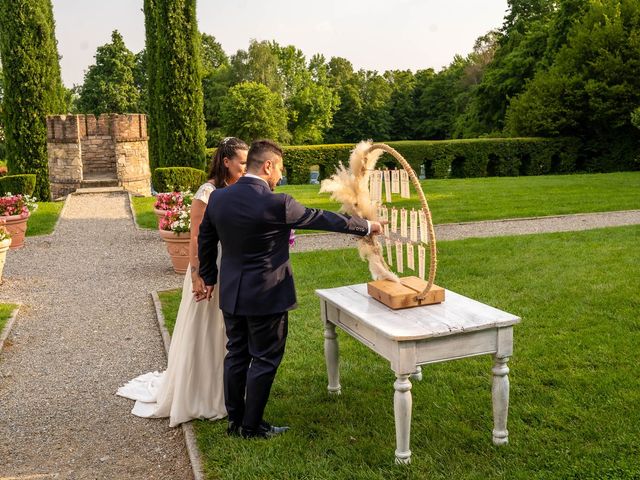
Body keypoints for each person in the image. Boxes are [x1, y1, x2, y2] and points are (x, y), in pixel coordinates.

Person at [197, 139, 382, 439]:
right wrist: (367, 226)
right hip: (267, 296)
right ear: (267, 166)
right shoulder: (278, 202)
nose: (280, 176)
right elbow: (322, 219)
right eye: (279, 169)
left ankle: (235, 421)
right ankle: (251, 426)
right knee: (265, 358)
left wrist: (208, 275)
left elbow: (206, 241)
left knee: (236, 354)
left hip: (231, 292)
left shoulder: (219, 199)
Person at [117, 137, 249, 427]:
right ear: (226, 162)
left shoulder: (237, 189)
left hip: (230, 268)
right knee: (205, 329)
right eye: (242, 161)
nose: (245, 166)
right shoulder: (208, 191)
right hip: (208, 268)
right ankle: (200, 393)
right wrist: (197, 274)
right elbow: (195, 237)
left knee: (226, 331)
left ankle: (227, 390)